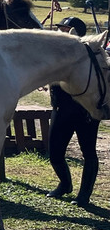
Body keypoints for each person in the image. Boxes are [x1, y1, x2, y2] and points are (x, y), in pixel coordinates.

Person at [46, 16, 100, 207]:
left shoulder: (88, 56)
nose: (61, 32)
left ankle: (84, 195)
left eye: (65, 29)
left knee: (88, 152)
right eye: (60, 29)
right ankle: (65, 185)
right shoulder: (56, 54)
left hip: (85, 110)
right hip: (61, 109)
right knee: (54, 152)